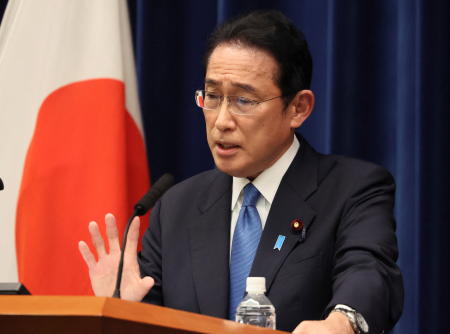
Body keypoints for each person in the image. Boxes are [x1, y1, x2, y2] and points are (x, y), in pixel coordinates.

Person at [78, 10, 403, 334]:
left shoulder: (352, 189)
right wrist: (124, 312)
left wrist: (342, 322)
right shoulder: (177, 207)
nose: (221, 121)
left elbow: (369, 272)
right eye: (213, 97)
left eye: (244, 101)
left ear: (298, 108)